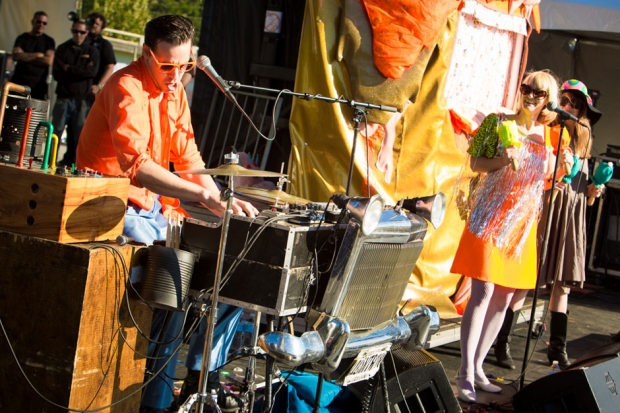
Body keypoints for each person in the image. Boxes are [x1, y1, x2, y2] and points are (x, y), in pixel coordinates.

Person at [76, 15, 257, 413]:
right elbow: (136, 166)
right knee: (171, 283)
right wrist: (205, 199)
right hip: (106, 205)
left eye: (186, 66)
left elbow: (188, 156)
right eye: (169, 66)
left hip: (150, 209)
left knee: (229, 273)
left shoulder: (175, 92)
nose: (178, 77)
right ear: (147, 55)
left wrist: (224, 203)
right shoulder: (127, 86)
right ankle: (150, 402)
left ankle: (197, 378)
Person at [451, 70, 561, 403]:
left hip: (520, 226)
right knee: (482, 292)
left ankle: (479, 367)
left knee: (503, 298)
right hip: (488, 218)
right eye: (526, 88)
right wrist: (502, 159)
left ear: (548, 100)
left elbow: (547, 181)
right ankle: (464, 374)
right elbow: (474, 161)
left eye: (538, 92)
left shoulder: (551, 135)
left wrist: (562, 167)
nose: (530, 95)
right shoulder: (498, 120)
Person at [494, 79, 604, 371]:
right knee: (524, 282)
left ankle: (558, 349)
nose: (570, 109)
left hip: (570, 220)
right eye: (565, 102)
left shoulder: (584, 150)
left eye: (577, 106)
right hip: (546, 212)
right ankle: (501, 342)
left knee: (562, 286)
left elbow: (587, 199)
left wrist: (593, 192)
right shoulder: (549, 135)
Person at [52, 19, 99, 166]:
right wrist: (81, 70)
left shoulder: (92, 51)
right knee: (56, 132)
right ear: (72, 30)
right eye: (76, 31)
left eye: (82, 32)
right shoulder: (62, 49)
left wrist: (69, 68)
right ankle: (50, 160)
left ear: (87, 33)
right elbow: (57, 73)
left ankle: (76, 164)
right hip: (64, 97)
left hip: (82, 99)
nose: (78, 35)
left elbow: (91, 72)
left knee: (79, 135)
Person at [10, 11, 55, 100]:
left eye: (44, 23)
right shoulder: (22, 38)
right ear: (32, 22)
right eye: (38, 21)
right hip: (19, 84)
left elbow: (48, 61)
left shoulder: (48, 41)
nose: (41, 25)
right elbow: (16, 56)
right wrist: (37, 55)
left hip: (38, 87)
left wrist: (25, 56)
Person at [85, 12, 116, 106]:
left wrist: (98, 86)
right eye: (91, 22)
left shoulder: (104, 45)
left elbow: (110, 67)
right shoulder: (79, 40)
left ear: (102, 27)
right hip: (74, 90)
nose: (93, 25)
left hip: (91, 91)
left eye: (97, 24)